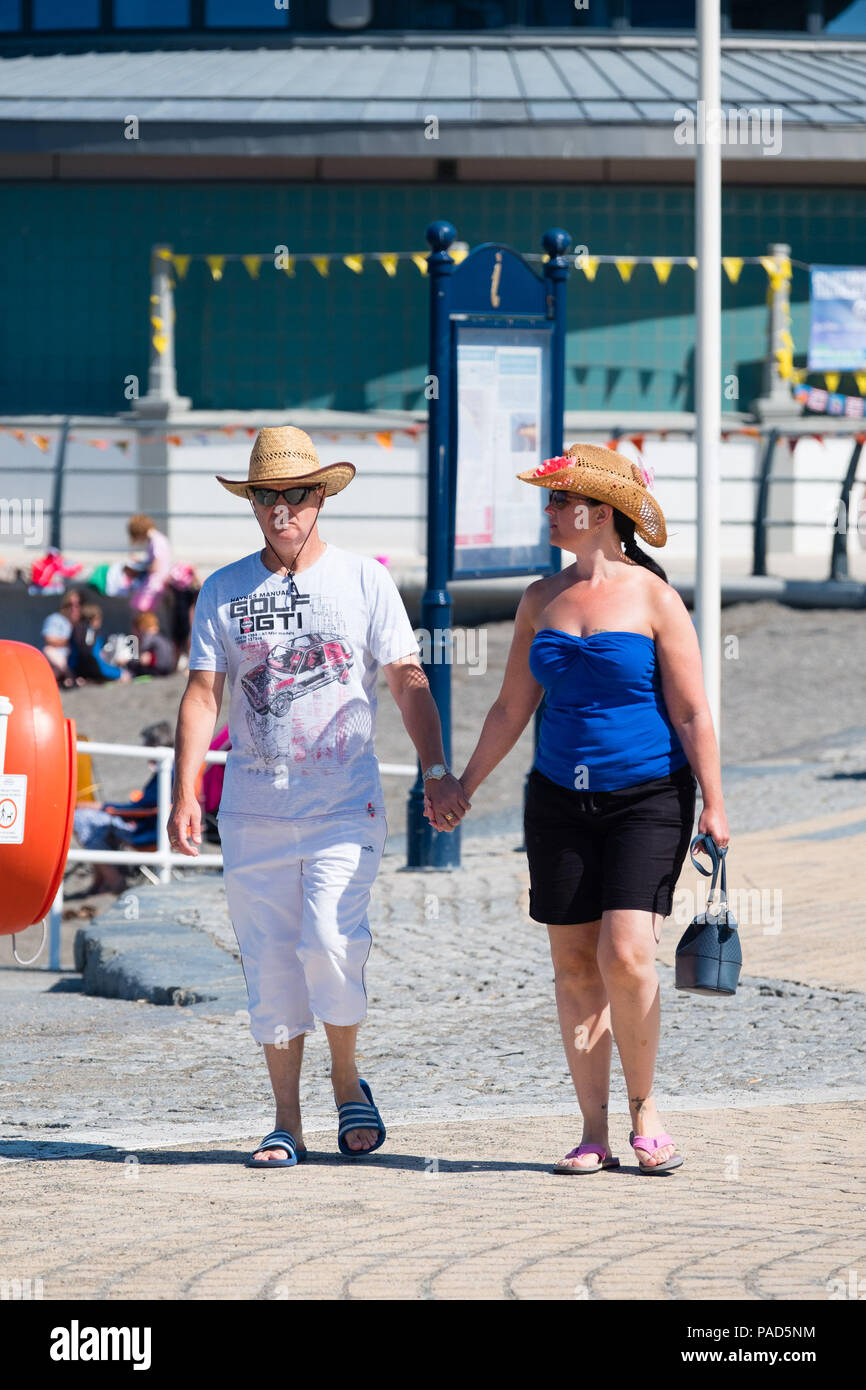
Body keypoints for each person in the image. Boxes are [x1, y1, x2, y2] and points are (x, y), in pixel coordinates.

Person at [169, 425, 468, 1168]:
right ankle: (286, 1121)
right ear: (253, 502)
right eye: (266, 497)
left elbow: (407, 680)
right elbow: (203, 695)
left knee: (331, 945)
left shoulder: (364, 581)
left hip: (343, 805)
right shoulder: (225, 590)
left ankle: (344, 1076)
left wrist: (435, 768)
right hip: (251, 809)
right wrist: (183, 793)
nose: (281, 510)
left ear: (321, 496)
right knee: (270, 964)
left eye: (295, 495)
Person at [434, 444, 729, 1177]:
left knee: (626, 954)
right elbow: (510, 707)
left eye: (558, 502)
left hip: (649, 796)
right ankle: (592, 1130)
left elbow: (692, 712)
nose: (549, 512)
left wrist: (716, 805)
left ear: (598, 513)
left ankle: (645, 1113)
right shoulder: (540, 598)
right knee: (572, 966)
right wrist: (462, 783)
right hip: (559, 799)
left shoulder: (655, 598)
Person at [72, 721, 175, 895]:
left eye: (146, 744)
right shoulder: (174, 768)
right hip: (155, 826)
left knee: (82, 819)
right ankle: (103, 878)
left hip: (147, 832)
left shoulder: (166, 772)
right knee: (92, 822)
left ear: (154, 745)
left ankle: (113, 879)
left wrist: (103, 807)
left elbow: (143, 808)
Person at [69, 602, 131, 684]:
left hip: (78, 671)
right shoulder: (93, 632)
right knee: (125, 675)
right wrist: (119, 673)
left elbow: (73, 657)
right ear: (94, 619)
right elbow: (96, 658)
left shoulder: (75, 630)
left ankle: (86, 679)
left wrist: (72, 674)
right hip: (95, 670)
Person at [127, 513, 172, 616]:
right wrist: (141, 562)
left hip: (153, 584)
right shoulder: (157, 539)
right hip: (156, 583)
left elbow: (156, 567)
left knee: (143, 614)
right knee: (143, 614)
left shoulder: (156, 541)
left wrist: (139, 567)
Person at [41, 590, 83, 686]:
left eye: (78, 604)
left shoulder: (82, 623)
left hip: (75, 658)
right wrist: (70, 642)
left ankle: (67, 677)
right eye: (70, 604)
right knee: (48, 650)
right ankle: (70, 676)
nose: (74, 608)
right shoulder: (56, 619)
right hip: (59, 657)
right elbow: (49, 639)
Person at [125, 611, 176, 677]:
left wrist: (127, 662)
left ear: (141, 627)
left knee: (132, 665)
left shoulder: (149, 636)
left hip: (158, 669)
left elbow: (142, 656)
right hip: (169, 669)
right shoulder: (160, 637)